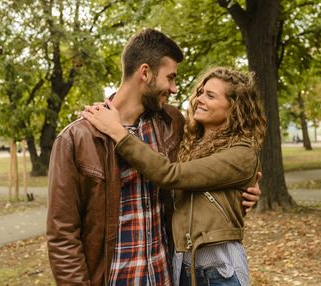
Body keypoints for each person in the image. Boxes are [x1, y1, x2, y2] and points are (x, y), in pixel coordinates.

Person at [46, 29, 261, 285]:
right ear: (145, 73)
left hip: (166, 275)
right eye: (170, 78)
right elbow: (62, 235)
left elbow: (213, 156)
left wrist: (244, 191)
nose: (174, 88)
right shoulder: (77, 138)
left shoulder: (173, 125)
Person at [82, 67, 266, 286]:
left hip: (219, 271)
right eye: (200, 93)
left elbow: (170, 175)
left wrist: (119, 132)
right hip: (182, 268)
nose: (199, 100)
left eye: (210, 95)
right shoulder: (189, 145)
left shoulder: (241, 153)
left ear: (235, 108)